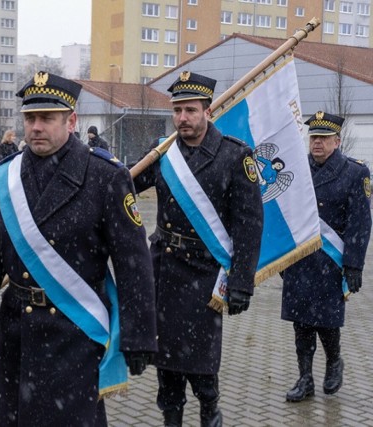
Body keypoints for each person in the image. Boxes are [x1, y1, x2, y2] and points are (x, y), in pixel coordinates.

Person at [0, 71, 158, 425]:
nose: (36, 127)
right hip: (17, 329)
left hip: (75, 330)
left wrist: (139, 334)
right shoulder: (5, 176)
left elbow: (134, 262)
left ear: (71, 120)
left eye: (47, 118)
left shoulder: (105, 176)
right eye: (30, 118)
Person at [132, 71, 264, 427]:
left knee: (201, 360)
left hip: (205, 275)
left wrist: (241, 282)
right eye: (177, 111)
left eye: (190, 110)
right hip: (164, 268)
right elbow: (126, 186)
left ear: (209, 111)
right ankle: (171, 415)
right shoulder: (162, 154)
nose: (182, 119)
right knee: (166, 358)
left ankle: (210, 409)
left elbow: (249, 225)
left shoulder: (234, 156)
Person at [281, 112, 371, 402]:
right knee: (301, 323)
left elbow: (360, 223)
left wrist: (354, 265)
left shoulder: (355, 173)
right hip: (299, 259)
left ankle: (334, 362)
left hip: (330, 263)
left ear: (337, 140)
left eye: (323, 137)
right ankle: (305, 379)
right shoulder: (297, 169)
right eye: (313, 137)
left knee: (326, 321)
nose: (317, 142)